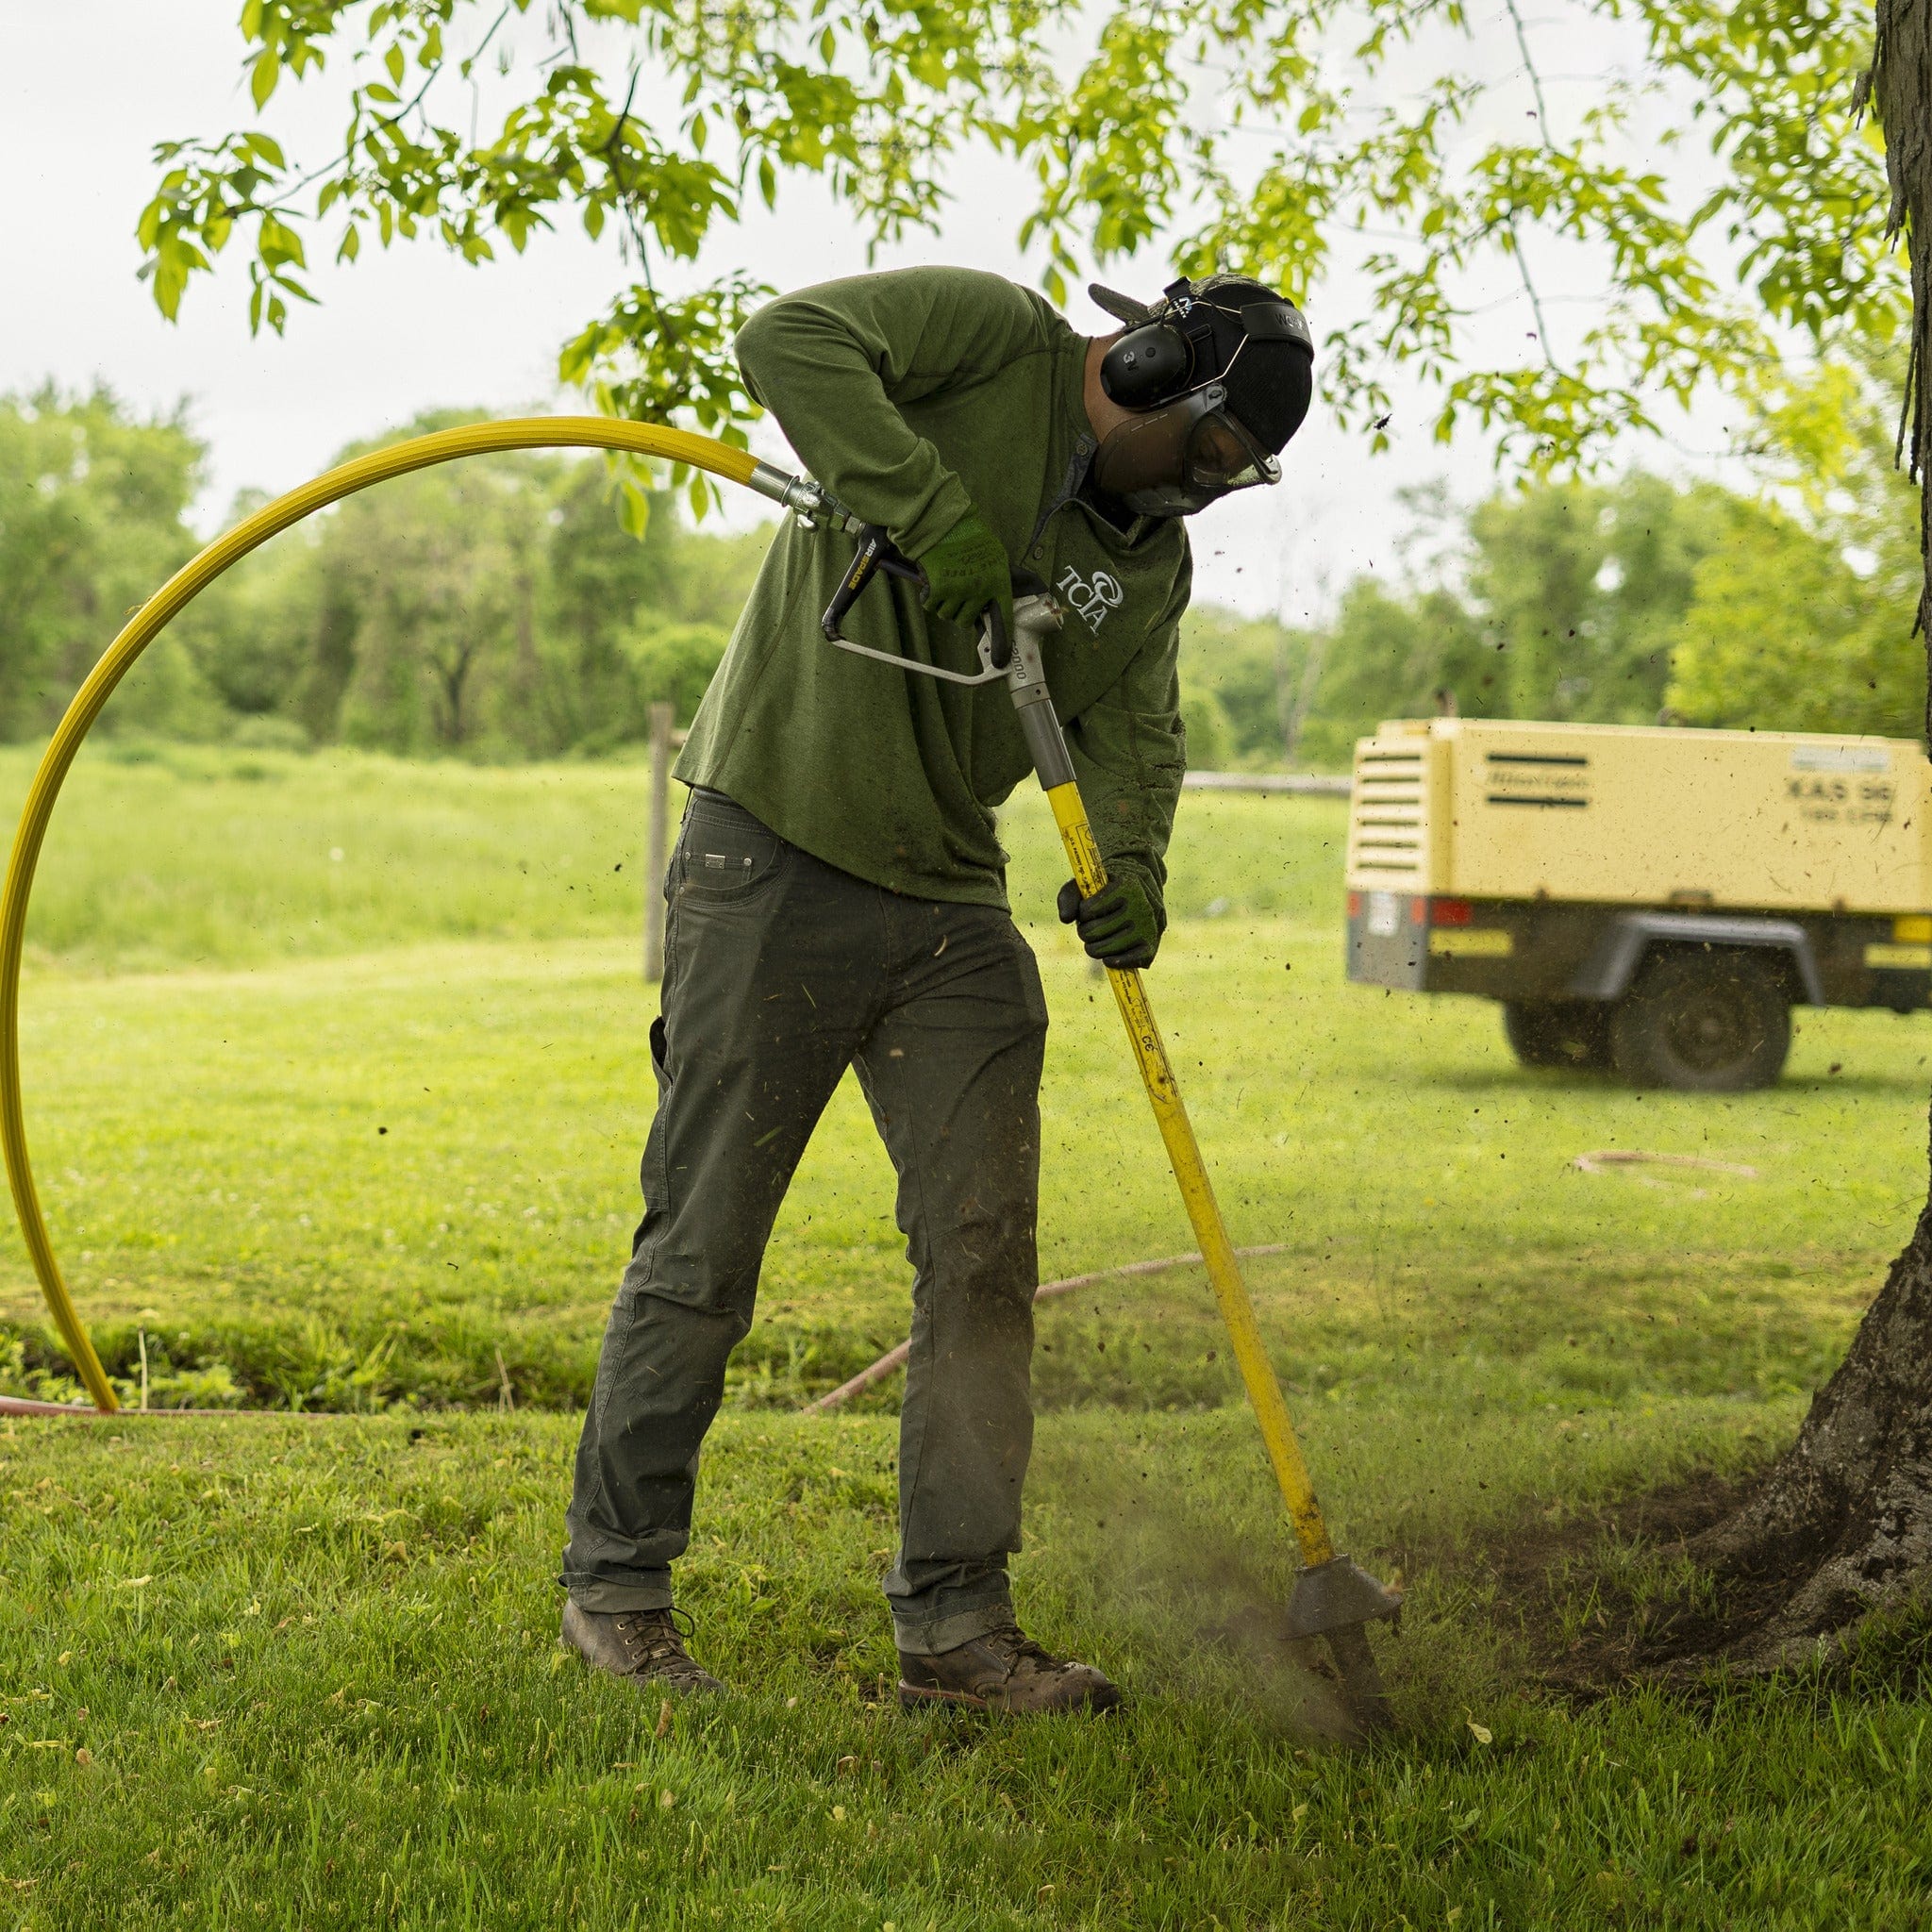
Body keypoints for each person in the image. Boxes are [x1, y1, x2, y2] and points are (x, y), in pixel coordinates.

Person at [559, 266, 1314, 1713]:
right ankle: (619, 1589)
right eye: (1207, 453)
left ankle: (957, 1630)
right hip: (770, 849)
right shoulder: (993, 340)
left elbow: (1137, 726)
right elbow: (787, 338)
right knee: (706, 1245)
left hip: (947, 905)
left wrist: (1135, 861)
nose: (1206, 494)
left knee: (982, 1259)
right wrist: (934, 511)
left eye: (1239, 480)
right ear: (1153, 368)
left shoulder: (1149, 561)